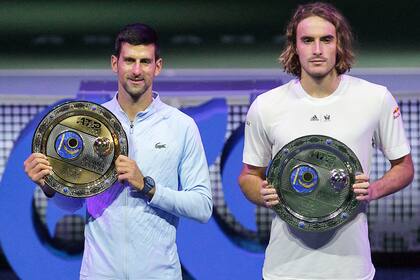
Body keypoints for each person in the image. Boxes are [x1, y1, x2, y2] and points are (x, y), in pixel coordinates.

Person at [238, 2, 414, 280]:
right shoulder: (266, 106)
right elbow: (248, 176)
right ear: (294, 46)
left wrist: (375, 190)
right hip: (285, 270)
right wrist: (262, 193)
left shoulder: (375, 98)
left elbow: (404, 167)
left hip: (351, 269)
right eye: (307, 40)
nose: (317, 50)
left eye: (326, 40)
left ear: (339, 44)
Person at [24, 23, 212, 279]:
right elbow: (73, 203)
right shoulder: (87, 125)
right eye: (129, 61)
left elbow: (202, 206)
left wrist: (148, 187)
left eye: (145, 61)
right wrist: (49, 185)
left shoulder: (181, 126)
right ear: (115, 63)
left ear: (157, 66)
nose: (136, 70)